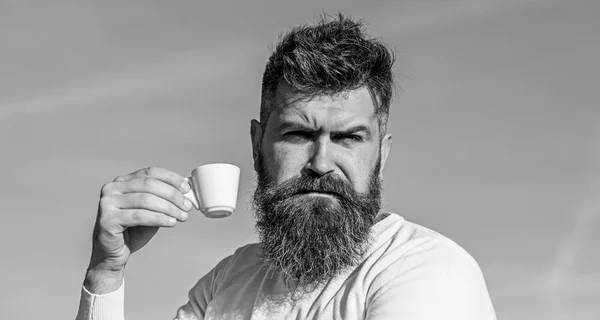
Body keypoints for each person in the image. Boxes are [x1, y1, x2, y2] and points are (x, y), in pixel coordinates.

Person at [76, 14, 496, 320]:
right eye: (298, 135)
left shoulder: (427, 269)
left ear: (381, 157)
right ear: (258, 145)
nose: (321, 163)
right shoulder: (225, 284)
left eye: (349, 138)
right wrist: (105, 274)